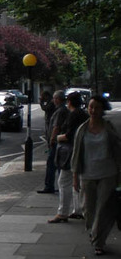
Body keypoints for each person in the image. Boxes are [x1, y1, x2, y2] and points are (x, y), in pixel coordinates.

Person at [71, 95, 121, 255]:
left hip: (108, 173)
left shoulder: (109, 128)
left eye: (97, 107)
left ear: (102, 109)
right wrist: (75, 176)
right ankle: (94, 232)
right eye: (91, 107)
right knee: (88, 210)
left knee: (103, 210)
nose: (93, 110)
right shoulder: (82, 129)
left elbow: (118, 152)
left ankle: (99, 241)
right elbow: (76, 154)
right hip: (87, 174)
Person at [48, 91, 88, 223]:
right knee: (76, 182)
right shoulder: (83, 114)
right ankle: (78, 210)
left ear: (69, 102)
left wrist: (57, 137)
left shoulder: (73, 115)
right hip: (82, 151)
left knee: (63, 181)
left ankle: (62, 213)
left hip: (70, 152)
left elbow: (69, 135)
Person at [38, 90, 68, 194]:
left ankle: (50, 186)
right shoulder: (62, 109)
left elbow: (56, 126)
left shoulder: (60, 111)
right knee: (58, 164)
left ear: (58, 99)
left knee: (51, 164)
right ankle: (60, 185)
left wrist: (51, 139)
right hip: (58, 142)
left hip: (55, 142)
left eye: (55, 99)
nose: (53, 101)